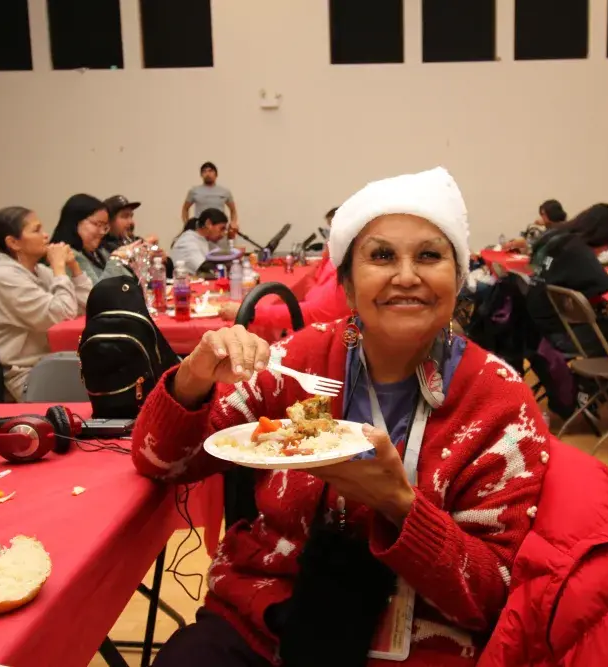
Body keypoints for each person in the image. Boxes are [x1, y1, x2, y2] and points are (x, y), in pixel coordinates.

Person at [135, 167, 553, 665]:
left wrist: (398, 504)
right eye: (381, 256)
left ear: (458, 280)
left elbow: (492, 595)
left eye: (429, 255)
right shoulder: (301, 362)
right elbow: (163, 463)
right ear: (348, 287)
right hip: (264, 619)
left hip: (417, 639)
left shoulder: (498, 403)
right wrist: (193, 378)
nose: (405, 275)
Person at [0, 206, 91, 401]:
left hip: (48, 363)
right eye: (36, 230)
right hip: (24, 376)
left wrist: (75, 268)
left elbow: (87, 306)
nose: (46, 235)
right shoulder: (4, 278)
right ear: (13, 242)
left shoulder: (38, 270)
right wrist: (59, 269)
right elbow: (61, 316)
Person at [525, 203, 608, 359]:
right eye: (607, 245)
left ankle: (597, 380)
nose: (605, 250)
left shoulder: (554, 239)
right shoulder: (576, 248)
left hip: (538, 327)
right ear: (600, 235)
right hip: (561, 334)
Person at [218, 207, 350, 328]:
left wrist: (249, 312)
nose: (327, 239)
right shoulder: (334, 259)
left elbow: (311, 313)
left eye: (331, 232)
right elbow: (313, 283)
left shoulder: (348, 275)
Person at [50, 194, 134, 286]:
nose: (102, 232)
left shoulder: (99, 252)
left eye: (105, 227)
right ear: (76, 222)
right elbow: (96, 295)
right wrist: (116, 260)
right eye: (97, 224)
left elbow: (131, 282)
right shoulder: (65, 255)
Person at [182, 161, 238, 249]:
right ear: (201, 175)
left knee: (221, 255)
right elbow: (185, 209)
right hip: (202, 231)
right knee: (201, 255)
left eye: (210, 171)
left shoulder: (225, 191)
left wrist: (233, 223)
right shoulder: (194, 191)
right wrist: (187, 225)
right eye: (204, 171)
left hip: (219, 231)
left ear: (216, 174)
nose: (207, 174)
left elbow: (233, 210)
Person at [170, 207, 229, 274]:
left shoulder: (205, 240)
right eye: (222, 229)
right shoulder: (188, 241)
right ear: (208, 224)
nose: (223, 234)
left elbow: (222, 257)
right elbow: (205, 267)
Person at [501, 199, 567, 252]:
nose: (541, 217)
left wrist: (524, 243)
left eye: (543, 214)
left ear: (552, 214)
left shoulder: (560, 230)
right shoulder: (549, 229)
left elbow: (542, 246)